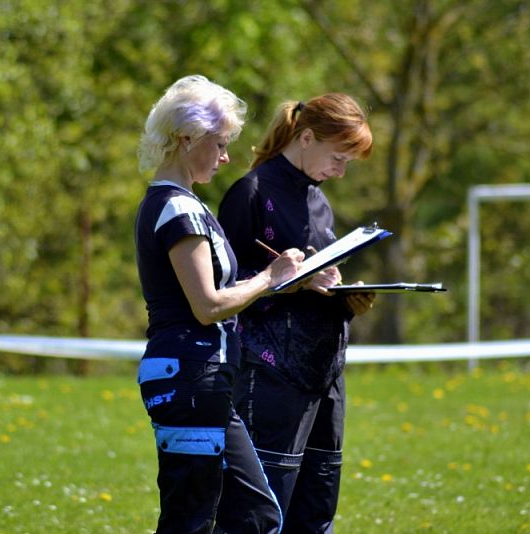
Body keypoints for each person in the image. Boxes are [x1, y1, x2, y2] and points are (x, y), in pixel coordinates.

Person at [134, 75, 304, 534]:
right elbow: (207, 306)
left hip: (199, 379)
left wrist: (274, 285)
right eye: (221, 142)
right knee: (193, 520)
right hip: (191, 377)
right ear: (187, 138)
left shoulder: (180, 204)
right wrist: (268, 278)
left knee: (253, 516)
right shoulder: (178, 209)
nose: (227, 156)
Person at [217, 93, 377, 533]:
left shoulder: (319, 200)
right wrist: (292, 280)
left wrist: (347, 299)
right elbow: (222, 288)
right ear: (306, 137)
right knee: (258, 516)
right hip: (270, 375)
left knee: (317, 509)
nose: (341, 171)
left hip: (325, 373)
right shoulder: (250, 192)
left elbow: (317, 280)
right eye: (339, 158)